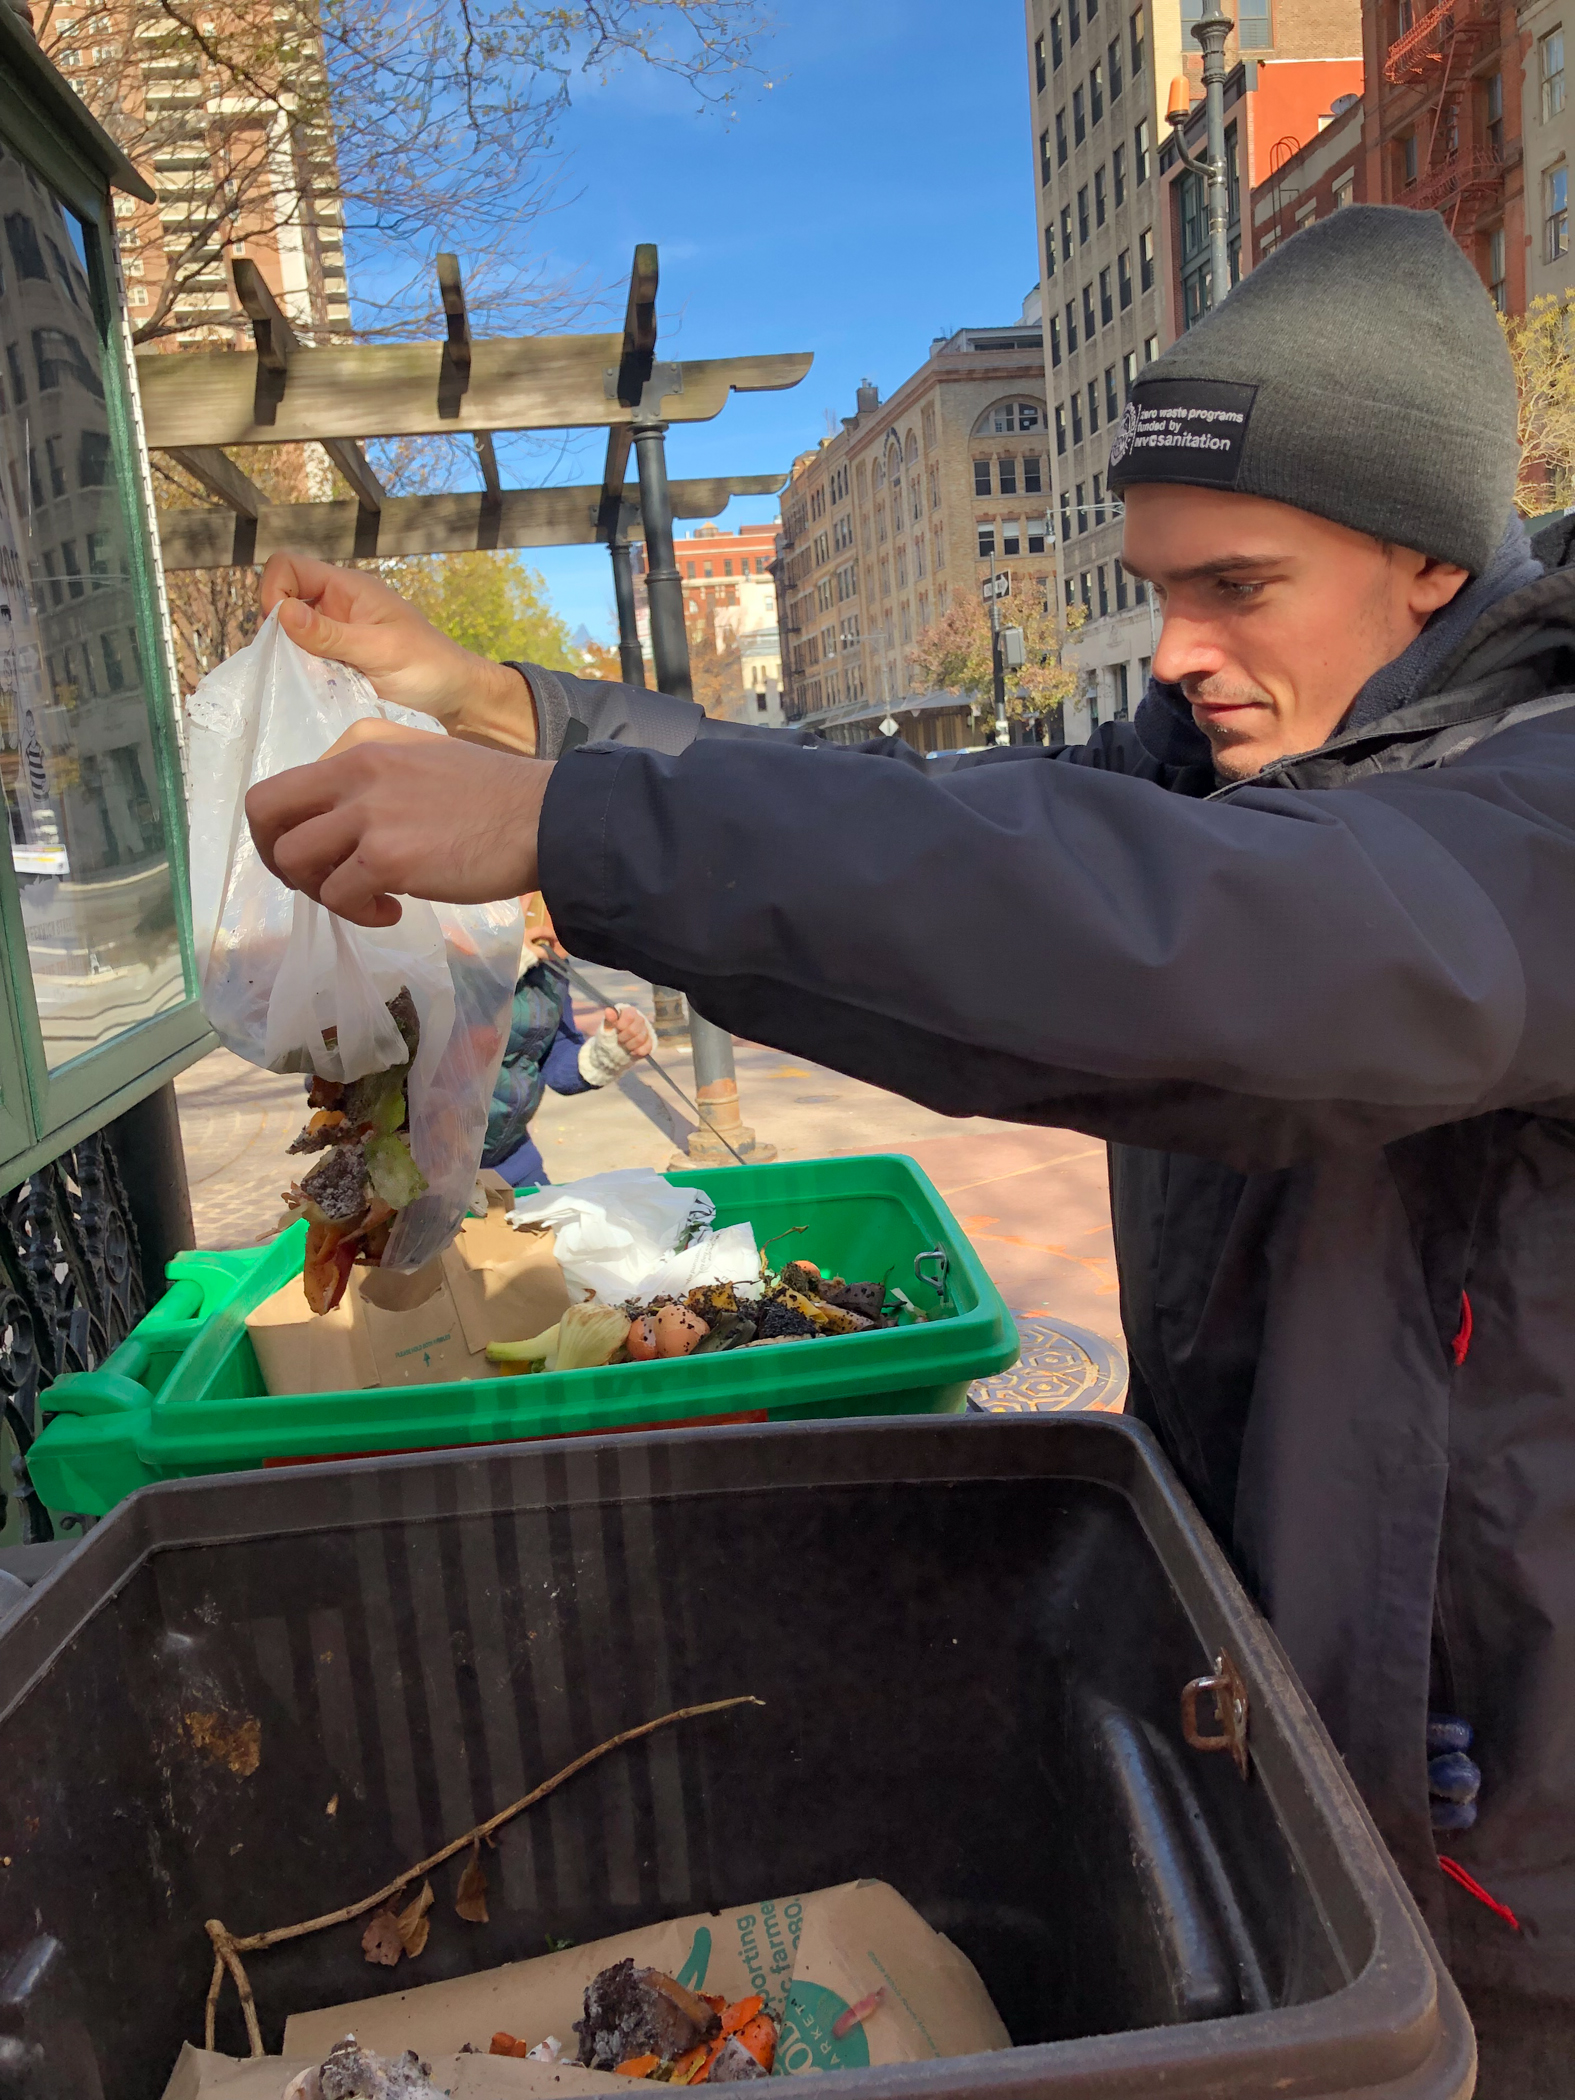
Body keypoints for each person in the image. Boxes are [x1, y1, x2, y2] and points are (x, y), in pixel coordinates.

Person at [244, 207, 1575, 2071]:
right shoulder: (1224, 765)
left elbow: (1196, 945)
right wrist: (521, 715)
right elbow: (931, 821)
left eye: (1239, 587)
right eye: (1159, 584)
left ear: (1431, 558)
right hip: (1294, 1711)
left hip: (1508, 1860)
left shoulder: (1533, 805)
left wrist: (574, 836)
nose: (1176, 648)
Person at [483, 896, 654, 1189]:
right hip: (433, 1172)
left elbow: (554, 1055)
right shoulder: (442, 945)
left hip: (513, 1158)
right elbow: (447, 1037)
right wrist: (497, 967)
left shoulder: (549, 966)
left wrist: (609, 1051)